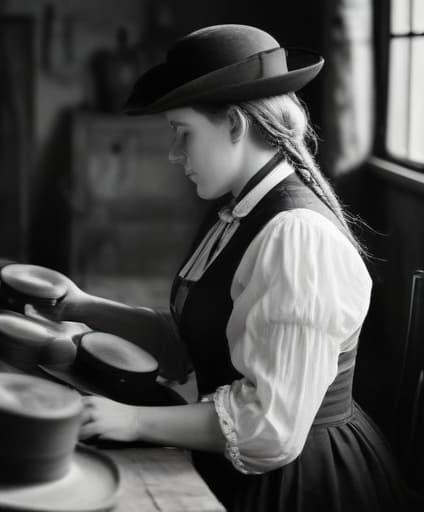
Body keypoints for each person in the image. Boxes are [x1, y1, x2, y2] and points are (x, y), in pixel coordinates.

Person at [42, 24, 410, 512]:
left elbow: (269, 428)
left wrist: (129, 420)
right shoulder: (238, 212)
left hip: (297, 483)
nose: (175, 154)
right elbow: (189, 345)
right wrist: (81, 304)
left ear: (235, 124)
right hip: (247, 459)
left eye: (183, 133)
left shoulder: (295, 235)